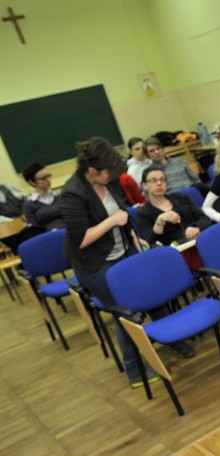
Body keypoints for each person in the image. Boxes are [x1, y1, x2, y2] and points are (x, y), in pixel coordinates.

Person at [60, 138, 194, 389]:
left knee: (153, 292)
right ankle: (134, 368)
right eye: (107, 172)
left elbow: (122, 215)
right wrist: (112, 222)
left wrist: (135, 237)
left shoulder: (106, 181)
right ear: (91, 171)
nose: (112, 176)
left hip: (122, 251)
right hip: (94, 263)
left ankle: (171, 339)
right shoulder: (72, 194)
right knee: (126, 309)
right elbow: (81, 240)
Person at [136, 164, 211, 246]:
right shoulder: (143, 212)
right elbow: (150, 242)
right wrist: (159, 221)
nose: (159, 183)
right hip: (175, 251)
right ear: (145, 185)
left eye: (162, 180)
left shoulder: (181, 197)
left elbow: (204, 218)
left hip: (199, 240)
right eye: (153, 180)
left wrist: (197, 227)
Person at [143, 137, 207, 194]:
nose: (156, 152)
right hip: (174, 197)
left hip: (191, 191)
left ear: (162, 149)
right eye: (152, 151)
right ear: (147, 156)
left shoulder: (179, 161)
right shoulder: (150, 172)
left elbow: (195, 179)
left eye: (158, 148)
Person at [22, 162, 63, 230]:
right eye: (43, 178)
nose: (48, 180)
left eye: (48, 176)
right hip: (48, 237)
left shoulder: (60, 197)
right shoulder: (29, 205)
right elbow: (34, 230)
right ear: (32, 182)